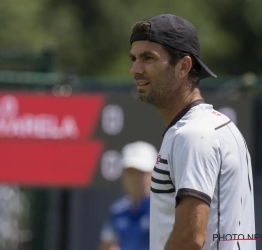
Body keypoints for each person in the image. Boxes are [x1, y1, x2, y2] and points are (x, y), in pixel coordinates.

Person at [129, 14, 255, 250]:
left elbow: (190, 239)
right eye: (134, 58)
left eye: (148, 58)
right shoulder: (217, 126)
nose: (135, 69)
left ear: (184, 66)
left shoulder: (193, 134)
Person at [99, 141, 158, 250]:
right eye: (130, 171)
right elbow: (107, 244)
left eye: (141, 172)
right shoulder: (117, 210)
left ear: (153, 173)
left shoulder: (163, 208)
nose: (135, 178)